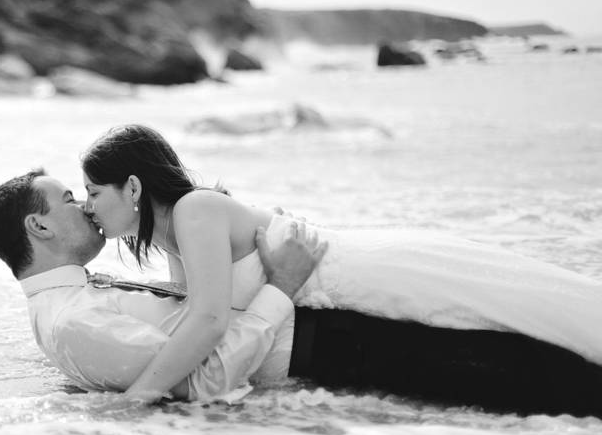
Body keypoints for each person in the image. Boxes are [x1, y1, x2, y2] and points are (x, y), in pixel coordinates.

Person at [81, 124, 602, 404]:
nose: (87, 207)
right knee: (495, 325)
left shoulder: (194, 210)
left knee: (505, 308)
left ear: (132, 186)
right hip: (343, 300)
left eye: (92, 191)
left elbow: (210, 319)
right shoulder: (177, 240)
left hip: (361, 276)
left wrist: (142, 393)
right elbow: (206, 329)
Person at [0, 168, 327, 402]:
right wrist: (281, 287)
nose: (87, 207)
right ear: (40, 227)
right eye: (70, 199)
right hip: (323, 348)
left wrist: (182, 236)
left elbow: (176, 318)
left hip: (314, 333)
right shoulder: (73, 322)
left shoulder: (71, 301)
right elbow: (207, 382)